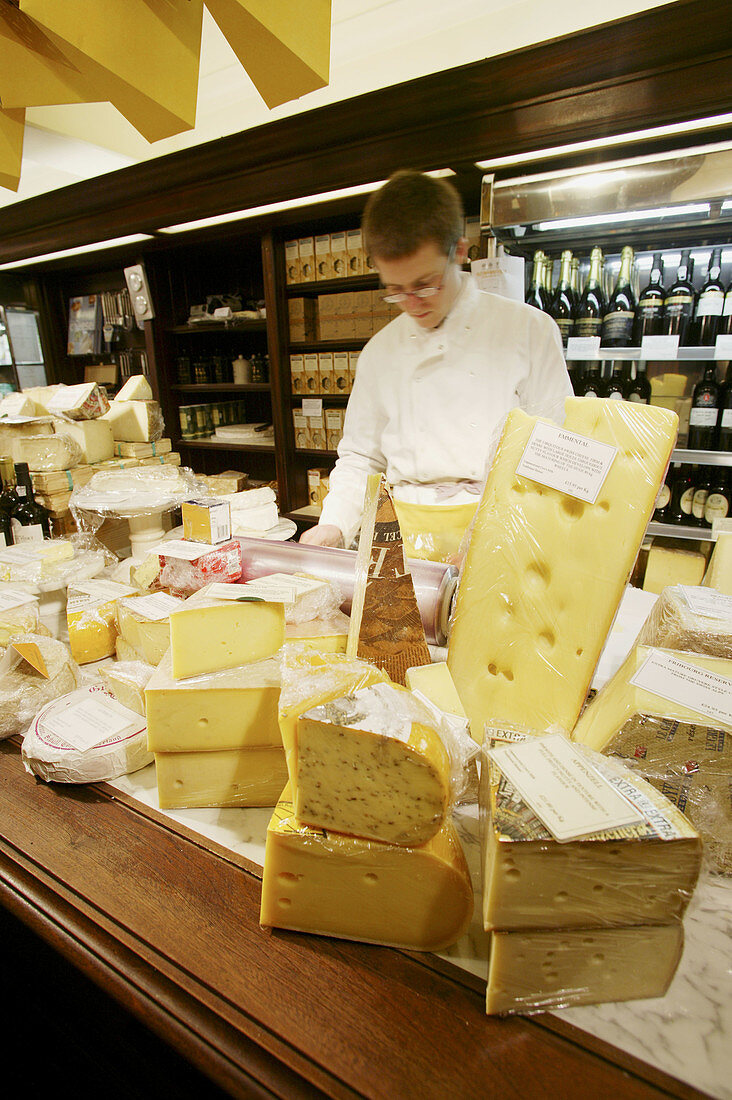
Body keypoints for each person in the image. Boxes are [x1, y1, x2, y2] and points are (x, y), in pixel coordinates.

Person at [300, 169, 573, 561]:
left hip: (497, 536)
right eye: (396, 291)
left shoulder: (528, 330)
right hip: (399, 539)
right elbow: (362, 457)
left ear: (460, 252)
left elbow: (554, 453)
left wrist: (508, 532)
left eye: (426, 284)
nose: (413, 302)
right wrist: (334, 524)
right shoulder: (380, 352)